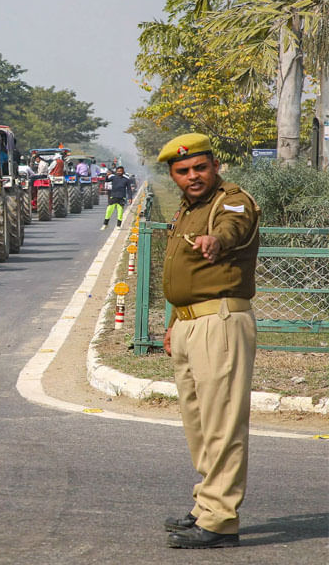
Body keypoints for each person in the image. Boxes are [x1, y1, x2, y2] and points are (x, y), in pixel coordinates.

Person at [157, 133, 260, 550]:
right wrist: (173, 323)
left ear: (215, 166)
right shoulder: (189, 208)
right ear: (173, 175)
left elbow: (232, 229)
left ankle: (220, 520)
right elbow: (184, 273)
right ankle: (206, 506)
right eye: (183, 171)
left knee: (222, 422)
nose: (192, 176)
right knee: (198, 424)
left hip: (220, 323)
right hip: (188, 325)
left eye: (200, 167)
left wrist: (217, 241)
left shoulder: (230, 201)